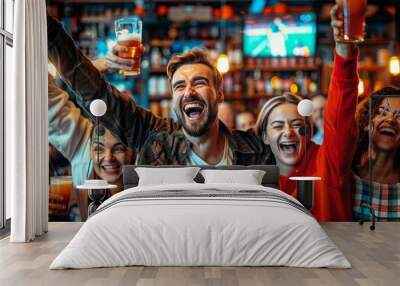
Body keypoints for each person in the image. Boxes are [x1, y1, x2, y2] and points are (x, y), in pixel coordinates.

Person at [47, 15, 273, 166]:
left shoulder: (255, 148)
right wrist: (49, 30)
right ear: (174, 99)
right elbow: (95, 92)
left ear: (220, 93)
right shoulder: (154, 137)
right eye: (179, 86)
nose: (189, 91)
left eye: (200, 82)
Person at [255, 5, 359, 221]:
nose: (288, 131)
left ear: (308, 131)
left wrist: (344, 49)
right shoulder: (257, 182)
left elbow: (340, 114)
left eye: (295, 123)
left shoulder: (328, 162)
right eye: (277, 125)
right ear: (265, 136)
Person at [48, 75, 135, 220]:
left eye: (119, 148)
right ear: (89, 150)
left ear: (133, 150)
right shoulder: (83, 141)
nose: (108, 158)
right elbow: (43, 91)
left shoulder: (147, 164)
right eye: (99, 149)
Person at [353, 87, 400, 221]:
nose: (391, 119)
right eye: (382, 112)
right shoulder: (347, 175)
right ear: (366, 122)